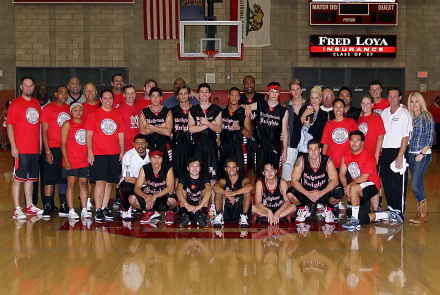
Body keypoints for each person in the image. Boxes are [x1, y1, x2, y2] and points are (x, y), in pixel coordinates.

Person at [340, 131, 403, 230]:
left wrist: (349, 186)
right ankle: (387, 215)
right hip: (357, 187)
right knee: (363, 218)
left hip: (371, 185)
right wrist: (345, 186)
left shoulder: (368, 156)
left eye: (357, 140)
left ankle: (354, 220)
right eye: (352, 140)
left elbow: (364, 177)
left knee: (353, 188)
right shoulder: (346, 155)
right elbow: (342, 174)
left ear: (362, 142)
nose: (354, 143)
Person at [85, 89, 126, 221]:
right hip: (99, 153)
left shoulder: (117, 114)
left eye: (110, 98)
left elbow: (121, 134)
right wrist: (90, 152)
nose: (108, 101)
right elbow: (89, 135)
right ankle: (98, 210)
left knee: (110, 182)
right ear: (101, 100)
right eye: (105, 98)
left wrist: (122, 151)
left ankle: (104, 208)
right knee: (100, 182)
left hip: (114, 153)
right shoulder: (94, 114)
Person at [7, 77, 44, 219]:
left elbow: (39, 125)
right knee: (19, 179)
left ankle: (29, 206)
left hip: (34, 149)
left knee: (31, 179)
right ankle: (17, 208)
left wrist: (39, 145)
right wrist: (13, 146)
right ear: (21, 87)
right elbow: (10, 126)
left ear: (33, 88)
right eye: (26, 85)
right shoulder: (15, 104)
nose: (28, 88)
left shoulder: (35, 103)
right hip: (20, 149)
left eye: (31, 86)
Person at [287, 139, 339, 224]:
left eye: (315, 149)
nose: (313, 152)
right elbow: (294, 181)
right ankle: (303, 209)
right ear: (307, 150)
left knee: (339, 191)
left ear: (320, 150)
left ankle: (328, 210)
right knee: (290, 193)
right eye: (311, 149)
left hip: (322, 190)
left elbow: (335, 181)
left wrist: (321, 193)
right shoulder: (301, 160)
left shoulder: (327, 160)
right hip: (307, 191)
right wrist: (307, 193)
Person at [380, 85, 412, 220]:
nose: (392, 99)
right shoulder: (384, 112)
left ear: (400, 97)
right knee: (387, 182)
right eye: (390, 96)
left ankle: (400, 212)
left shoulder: (404, 113)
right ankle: (391, 208)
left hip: (398, 151)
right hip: (385, 151)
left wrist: (400, 155)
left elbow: (406, 136)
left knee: (398, 183)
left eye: (395, 96)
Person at [244, 82, 289, 179]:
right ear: (268, 93)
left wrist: (285, 150)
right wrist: (247, 106)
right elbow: (242, 107)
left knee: (273, 176)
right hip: (262, 147)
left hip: (275, 147)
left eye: (276, 92)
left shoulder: (283, 111)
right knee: (260, 176)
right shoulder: (260, 105)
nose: (274, 94)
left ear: (279, 93)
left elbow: (285, 132)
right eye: (272, 92)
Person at [41, 85, 71, 218]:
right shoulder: (48, 108)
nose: (63, 96)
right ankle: (47, 206)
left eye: (66, 93)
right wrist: (47, 151)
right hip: (52, 148)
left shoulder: (69, 109)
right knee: (49, 179)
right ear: (56, 94)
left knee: (63, 178)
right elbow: (44, 131)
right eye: (61, 93)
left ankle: (63, 204)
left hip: (65, 149)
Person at [129, 147, 177, 224]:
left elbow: (170, 188)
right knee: (131, 199)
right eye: (154, 157)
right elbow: (137, 188)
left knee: (172, 200)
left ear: (162, 159)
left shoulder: (168, 168)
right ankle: (151, 212)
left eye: (159, 157)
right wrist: (145, 196)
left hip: (163, 196)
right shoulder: (145, 168)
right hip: (150, 197)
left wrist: (155, 196)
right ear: (150, 158)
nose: (156, 160)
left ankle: (169, 211)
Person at [407, 92, 435, 224]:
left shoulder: (427, 116)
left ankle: (424, 213)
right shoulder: (410, 117)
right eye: (412, 102)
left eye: (416, 101)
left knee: (415, 184)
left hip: (422, 155)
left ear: (421, 102)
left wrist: (422, 153)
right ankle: (420, 213)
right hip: (411, 153)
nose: (414, 104)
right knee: (417, 184)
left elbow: (430, 138)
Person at [188, 83, 222, 186]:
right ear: (198, 94)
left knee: (213, 177)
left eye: (206, 92)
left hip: (211, 145)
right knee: (197, 175)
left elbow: (219, 128)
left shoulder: (216, 110)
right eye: (201, 92)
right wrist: (211, 125)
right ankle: (199, 201)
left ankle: (212, 202)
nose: (204, 94)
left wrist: (207, 122)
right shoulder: (193, 110)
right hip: (198, 145)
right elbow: (191, 129)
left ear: (209, 94)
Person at [60, 103, 90, 219]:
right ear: (71, 112)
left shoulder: (86, 123)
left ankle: (83, 209)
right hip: (71, 160)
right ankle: (71, 209)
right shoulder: (67, 124)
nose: (78, 112)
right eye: (75, 110)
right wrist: (66, 160)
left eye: (80, 110)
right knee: (71, 184)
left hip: (84, 160)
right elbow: (62, 144)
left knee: (84, 185)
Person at [357, 94, 386, 212]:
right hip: (362, 157)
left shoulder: (377, 118)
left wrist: (376, 154)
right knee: (365, 181)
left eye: (368, 103)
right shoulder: (359, 120)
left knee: (375, 181)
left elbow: (380, 137)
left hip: (373, 156)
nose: (365, 106)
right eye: (363, 103)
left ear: (372, 105)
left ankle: (377, 207)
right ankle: (365, 206)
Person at [219, 87, 252, 178]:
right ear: (228, 96)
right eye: (232, 95)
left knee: (239, 175)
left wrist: (240, 128)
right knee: (223, 175)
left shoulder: (244, 112)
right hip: (224, 146)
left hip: (238, 147)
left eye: (236, 96)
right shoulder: (222, 111)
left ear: (239, 98)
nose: (234, 98)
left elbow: (250, 134)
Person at [212, 158, 253, 227]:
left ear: (237, 168)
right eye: (229, 167)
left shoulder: (243, 179)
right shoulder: (224, 180)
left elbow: (250, 186)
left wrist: (234, 193)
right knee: (218, 191)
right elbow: (215, 187)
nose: (231, 169)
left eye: (233, 167)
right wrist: (227, 194)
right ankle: (219, 215)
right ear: (225, 169)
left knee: (247, 191)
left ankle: (244, 216)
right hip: (227, 210)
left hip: (240, 209)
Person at [239, 75, 266, 177]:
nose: (249, 85)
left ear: (254, 84)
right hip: (244, 135)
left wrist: (247, 106)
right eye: (247, 83)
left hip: (258, 134)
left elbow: (270, 102)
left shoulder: (262, 97)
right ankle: (248, 189)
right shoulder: (240, 98)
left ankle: (259, 188)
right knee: (246, 165)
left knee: (258, 164)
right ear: (243, 85)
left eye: (251, 83)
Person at [118, 134, 150, 219]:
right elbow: (128, 179)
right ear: (133, 144)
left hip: (147, 183)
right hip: (132, 182)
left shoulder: (151, 154)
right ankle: (126, 208)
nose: (140, 146)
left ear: (147, 144)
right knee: (126, 188)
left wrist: (149, 183)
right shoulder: (128, 155)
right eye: (137, 143)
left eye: (142, 143)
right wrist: (145, 182)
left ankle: (146, 208)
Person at [32, 81, 52, 207]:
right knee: (33, 177)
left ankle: (47, 203)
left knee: (47, 177)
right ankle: (32, 203)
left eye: (45, 89)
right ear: (36, 91)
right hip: (33, 146)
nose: (43, 91)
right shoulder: (31, 105)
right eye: (40, 89)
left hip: (47, 146)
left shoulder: (52, 106)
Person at [139, 86, 173, 164]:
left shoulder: (167, 112)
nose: (155, 99)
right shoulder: (144, 112)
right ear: (150, 98)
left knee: (164, 170)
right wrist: (161, 126)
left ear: (161, 98)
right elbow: (143, 131)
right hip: (149, 146)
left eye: (158, 96)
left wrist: (150, 126)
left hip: (163, 145)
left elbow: (167, 132)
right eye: (153, 96)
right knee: (149, 170)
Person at [176, 157, 211, 227]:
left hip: (200, 208)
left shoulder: (204, 177)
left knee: (206, 190)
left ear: (200, 168)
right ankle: (184, 216)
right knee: (181, 191)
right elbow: (178, 190)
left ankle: (202, 217)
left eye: (197, 166)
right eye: (192, 166)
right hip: (187, 208)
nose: (195, 168)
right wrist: (186, 204)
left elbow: (209, 190)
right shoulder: (184, 177)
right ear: (188, 168)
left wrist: (199, 206)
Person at [282, 79, 305, 186]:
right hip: (290, 146)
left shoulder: (309, 105)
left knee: (303, 177)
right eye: (293, 90)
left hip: (305, 147)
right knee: (287, 178)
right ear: (290, 91)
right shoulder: (286, 107)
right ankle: (288, 200)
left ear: (301, 90)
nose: (295, 92)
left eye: (297, 89)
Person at [296, 86, 328, 160]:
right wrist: (304, 115)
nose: (314, 100)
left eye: (316, 98)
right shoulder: (304, 109)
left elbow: (320, 134)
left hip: (315, 149)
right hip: (302, 148)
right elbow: (296, 127)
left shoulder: (323, 114)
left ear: (320, 99)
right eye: (312, 97)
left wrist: (308, 126)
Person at [171, 86, 193, 187]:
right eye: (181, 94)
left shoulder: (195, 110)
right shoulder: (172, 111)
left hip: (192, 145)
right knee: (177, 175)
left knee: (191, 173)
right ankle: (176, 201)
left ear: (189, 95)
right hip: (177, 145)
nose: (183, 96)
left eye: (185, 93)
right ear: (177, 96)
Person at [117, 85, 141, 152]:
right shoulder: (119, 110)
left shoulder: (139, 109)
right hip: (126, 148)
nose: (131, 95)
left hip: (139, 147)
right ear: (124, 95)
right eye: (128, 93)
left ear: (135, 94)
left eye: (133, 93)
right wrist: (122, 149)